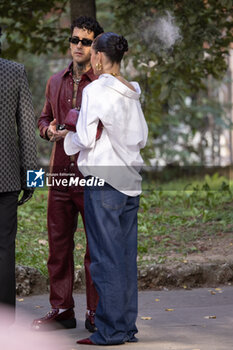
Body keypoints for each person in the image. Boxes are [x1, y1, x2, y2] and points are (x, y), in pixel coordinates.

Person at [64, 32, 148, 345]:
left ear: (98, 56)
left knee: (104, 258)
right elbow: (141, 138)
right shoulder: (131, 90)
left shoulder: (97, 89)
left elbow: (84, 138)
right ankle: (126, 328)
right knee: (125, 258)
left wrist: (67, 136)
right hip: (130, 183)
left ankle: (110, 331)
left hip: (103, 181)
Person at [32, 17, 104, 332]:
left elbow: (108, 128)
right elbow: (44, 117)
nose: (78, 46)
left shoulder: (104, 84)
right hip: (60, 174)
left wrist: (78, 132)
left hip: (91, 176)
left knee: (96, 249)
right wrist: (47, 129)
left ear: (96, 45)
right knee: (58, 246)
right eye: (75, 40)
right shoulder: (54, 80)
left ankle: (95, 313)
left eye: (85, 42)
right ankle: (61, 310)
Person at [0, 27, 37, 318]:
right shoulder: (15, 72)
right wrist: (31, 177)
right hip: (7, 179)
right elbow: (27, 128)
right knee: (4, 250)